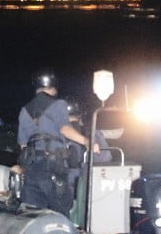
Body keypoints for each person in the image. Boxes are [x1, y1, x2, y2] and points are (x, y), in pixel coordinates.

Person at [15, 70, 100, 214]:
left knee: (32, 212)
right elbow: (65, 129)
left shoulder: (24, 110)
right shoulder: (59, 104)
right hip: (53, 167)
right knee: (61, 211)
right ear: (53, 88)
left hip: (32, 169)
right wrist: (88, 142)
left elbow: (23, 145)